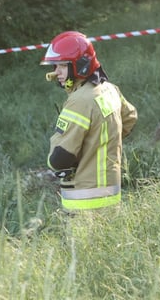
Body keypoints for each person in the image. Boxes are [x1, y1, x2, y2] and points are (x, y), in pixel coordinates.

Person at [41, 31, 137, 211]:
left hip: (83, 200)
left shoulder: (80, 101)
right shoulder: (109, 89)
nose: (56, 73)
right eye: (55, 66)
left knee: (81, 241)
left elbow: (60, 158)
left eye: (62, 66)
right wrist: (102, 144)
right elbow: (130, 118)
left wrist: (54, 164)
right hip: (111, 193)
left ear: (80, 65)